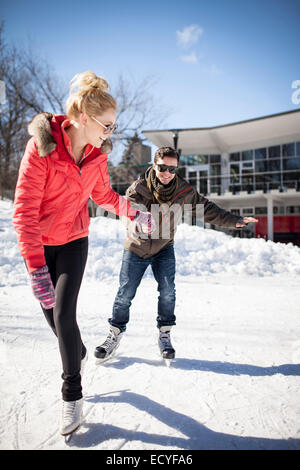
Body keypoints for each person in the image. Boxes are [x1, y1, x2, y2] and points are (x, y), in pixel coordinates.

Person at [12, 71, 154, 436]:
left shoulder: (96, 156)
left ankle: (71, 396)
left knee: (63, 314)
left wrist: (134, 211)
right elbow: (24, 211)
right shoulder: (42, 149)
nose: (112, 131)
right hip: (41, 246)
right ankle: (77, 351)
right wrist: (35, 269)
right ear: (85, 119)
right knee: (60, 327)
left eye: (114, 125)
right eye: (107, 124)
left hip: (74, 239)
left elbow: (102, 196)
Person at [94, 146, 258, 363]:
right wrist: (136, 223)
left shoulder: (182, 190)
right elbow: (127, 213)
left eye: (172, 169)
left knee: (168, 291)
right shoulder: (138, 188)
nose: (167, 173)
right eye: (163, 168)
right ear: (154, 165)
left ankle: (164, 334)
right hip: (136, 247)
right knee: (125, 293)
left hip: (164, 247)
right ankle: (114, 335)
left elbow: (207, 209)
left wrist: (234, 220)